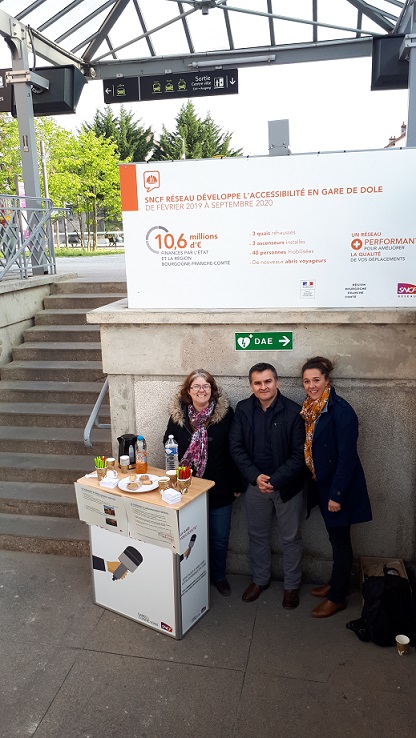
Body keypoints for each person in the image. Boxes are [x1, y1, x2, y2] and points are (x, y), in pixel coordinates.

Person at [300, 356, 372, 618]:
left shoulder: (341, 411)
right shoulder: (311, 407)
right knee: (335, 538)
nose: (311, 385)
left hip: (338, 488)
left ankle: (337, 596)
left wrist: (336, 495)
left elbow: (347, 457)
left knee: (341, 542)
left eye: (316, 380)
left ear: (327, 380)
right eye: (307, 381)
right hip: (323, 484)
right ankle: (335, 582)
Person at [229, 362, 305, 609]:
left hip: (287, 486)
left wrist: (276, 480)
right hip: (255, 485)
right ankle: (260, 579)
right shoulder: (243, 409)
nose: (263, 387)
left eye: (268, 381)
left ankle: (292, 585)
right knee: (257, 535)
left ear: (277, 382)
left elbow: (299, 455)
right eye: (258, 383)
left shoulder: (294, 412)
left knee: (291, 538)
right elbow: (236, 447)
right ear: (251, 385)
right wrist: (255, 477)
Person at [164, 369, 240, 596]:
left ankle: (218, 576)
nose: (201, 390)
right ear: (188, 391)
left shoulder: (226, 415)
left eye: (206, 386)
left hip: (220, 487)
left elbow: (235, 449)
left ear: (212, 390)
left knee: (219, 537)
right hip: (187, 489)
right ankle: (195, 575)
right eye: (196, 386)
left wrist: (237, 484)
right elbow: (168, 444)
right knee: (190, 536)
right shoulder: (178, 417)